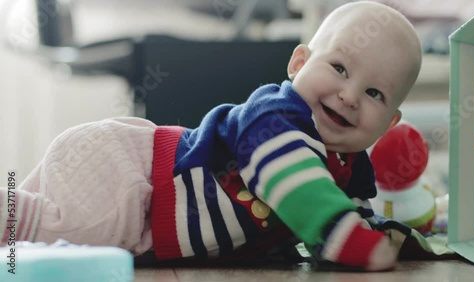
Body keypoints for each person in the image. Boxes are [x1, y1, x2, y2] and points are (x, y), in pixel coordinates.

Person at [1, 1, 421, 271]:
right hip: (134, 178)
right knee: (58, 231)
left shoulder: (349, 169)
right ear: (298, 63)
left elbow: (355, 216)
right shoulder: (275, 118)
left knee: (47, 238)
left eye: (373, 93)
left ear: (389, 123)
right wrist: (351, 241)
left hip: (148, 206)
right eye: (340, 69)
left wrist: (393, 238)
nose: (349, 96)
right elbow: (301, 185)